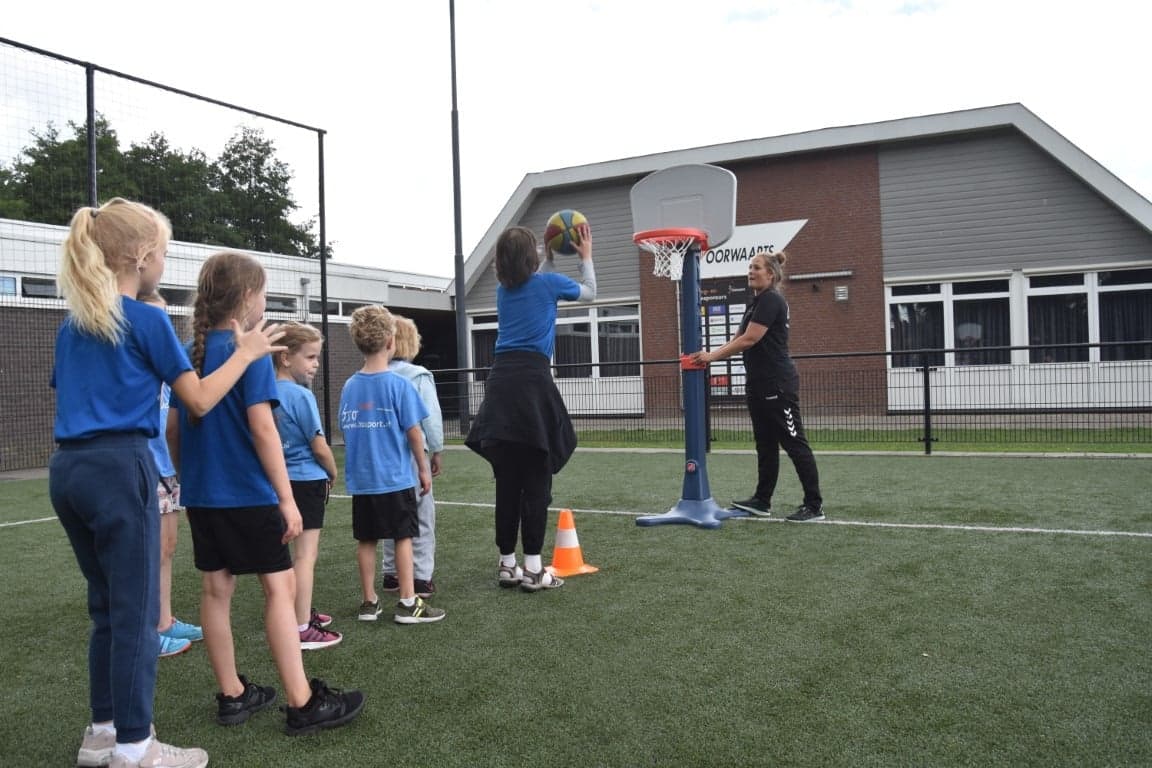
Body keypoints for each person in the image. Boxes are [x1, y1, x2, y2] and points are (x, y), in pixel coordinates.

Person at [51, 198, 283, 768]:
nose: (166, 261)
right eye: (164, 251)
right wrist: (248, 351)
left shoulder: (73, 323)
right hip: (119, 467)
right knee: (134, 615)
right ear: (142, 256)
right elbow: (199, 397)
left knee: (107, 610)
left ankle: (103, 734)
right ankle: (136, 747)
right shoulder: (146, 318)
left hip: (68, 471)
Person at [169, 251, 364, 736]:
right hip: (248, 495)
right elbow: (262, 429)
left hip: (203, 497)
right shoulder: (251, 350)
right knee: (280, 588)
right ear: (246, 300)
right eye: (263, 292)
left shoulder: (190, 352)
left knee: (216, 591)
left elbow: (174, 428)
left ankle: (233, 695)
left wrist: (188, 478)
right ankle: (302, 703)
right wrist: (286, 498)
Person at [464, 223, 595, 591]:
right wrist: (584, 256)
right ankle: (536, 570)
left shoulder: (504, 292)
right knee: (537, 481)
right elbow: (590, 293)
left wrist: (548, 257)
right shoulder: (548, 284)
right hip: (532, 382)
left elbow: (532, 280)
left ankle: (508, 565)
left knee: (507, 483)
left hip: (500, 382)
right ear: (531, 257)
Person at [690, 250, 824, 522]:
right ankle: (762, 501)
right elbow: (736, 338)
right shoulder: (755, 303)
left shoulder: (772, 300)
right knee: (765, 445)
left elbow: (749, 340)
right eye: (750, 267)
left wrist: (711, 357)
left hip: (778, 385)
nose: (751, 271)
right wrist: (709, 355)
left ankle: (814, 506)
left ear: (771, 274)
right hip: (758, 385)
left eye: (757, 267)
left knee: (795, 443)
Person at [339, 305, 445, 624]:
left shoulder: (349, 386)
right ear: (390, 341)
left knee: (367, 539)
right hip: (396, 479)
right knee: (402, 537)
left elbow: (347, 429)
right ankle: (408, 603)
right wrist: (424, 469)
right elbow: (415, 432)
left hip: (362, 481)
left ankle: (369, 602)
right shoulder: (401, 385)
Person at [137, 290, 204, 660]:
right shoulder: (136, 362)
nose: (160, 325)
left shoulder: (168, 363)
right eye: (153, 317)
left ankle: (163, 621)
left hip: (166, 468)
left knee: (167, 548)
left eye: (165, 317)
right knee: (148, 552)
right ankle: (148, 631)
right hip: (145, 467)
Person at [272, 321, 342, 651]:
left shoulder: (264, 392)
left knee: (286, 557)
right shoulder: (301, 396)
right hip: (307, 480)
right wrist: (332, 471)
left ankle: (294, 614)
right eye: (311, 357)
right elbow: (318, 445)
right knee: (305, 556)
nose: (315, 364)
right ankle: (301, 626)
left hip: (277, 482)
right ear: (285, 357)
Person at [380, 315, 444, 599]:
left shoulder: (373, 374)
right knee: (422, 517)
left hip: (382, 457)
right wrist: (436, 449)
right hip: (410, 456)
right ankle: (420, 577)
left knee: (391, 517)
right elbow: (428, 418)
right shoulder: (418, 376)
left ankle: (391, 573)